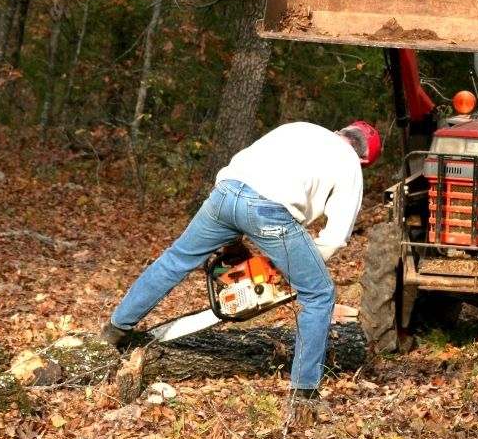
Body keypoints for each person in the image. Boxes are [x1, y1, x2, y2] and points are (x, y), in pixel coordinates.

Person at [100, 120, 381, 399]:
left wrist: (234, 243)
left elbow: (247, 172)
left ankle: (117, 327)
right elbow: (334, 237)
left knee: (176, 259)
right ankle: (305, 393)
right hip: (270, 211)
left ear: (340, 131)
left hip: (224, 194)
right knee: (319, 294)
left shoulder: (299, 128)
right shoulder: (350, 163)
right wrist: (293, 270)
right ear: (365, 158)